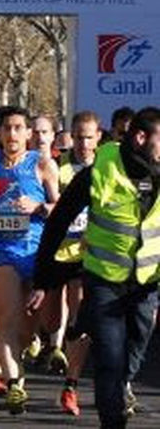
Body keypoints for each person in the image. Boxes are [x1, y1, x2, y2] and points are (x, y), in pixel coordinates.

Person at [30, 107, 160, 429]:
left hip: (147, 283)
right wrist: (42, 278)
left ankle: (121, 385)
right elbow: (59, 220)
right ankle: (112, 419)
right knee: (109, 357)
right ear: (141, 138)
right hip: (104, 280)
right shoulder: (101, 168)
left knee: (135, 345)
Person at [0, 106, 58, 414]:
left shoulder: (42, 164)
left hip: (36, 251)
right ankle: (14, 384)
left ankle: (26, 352)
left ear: (28, 133)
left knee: (31, 328)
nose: (12, 134)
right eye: (7, 128)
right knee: (8, 318)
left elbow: (60, 208)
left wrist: (38, 206)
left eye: (18, 128)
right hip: (2, 249)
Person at [47, 110, 102, 416]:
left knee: (79, 316)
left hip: (86, 254)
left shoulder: (106, 168)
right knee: (51, 320)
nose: (83, 144)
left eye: (88, 138)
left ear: (98, 138)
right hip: (57, 252)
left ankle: (71, 385)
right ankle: (51, 342)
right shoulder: (59, 167)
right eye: (78, 137)